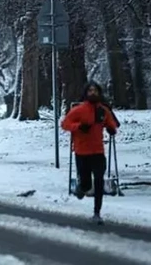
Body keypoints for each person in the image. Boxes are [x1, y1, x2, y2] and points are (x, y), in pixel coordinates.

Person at [61, 81, 118, 225]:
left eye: (95, 91)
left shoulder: (103, 110)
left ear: (99, 93)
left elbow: (111, 124)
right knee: (86, 184)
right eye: (90, 91)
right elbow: (65, 124)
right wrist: (79, 126)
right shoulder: (79, 110)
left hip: (98, 152)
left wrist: (111, 130)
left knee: (99, 180)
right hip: (82, 152)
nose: (93, 93)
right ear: (86, 93)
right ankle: (81, 188)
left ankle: (97, 213)